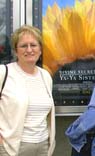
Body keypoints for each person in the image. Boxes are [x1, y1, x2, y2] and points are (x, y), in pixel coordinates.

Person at [0, 25, 55, 156]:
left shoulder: (45, 76)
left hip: (42, 146)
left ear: (40, 49)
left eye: (33, 45)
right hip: (11, 147)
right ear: (16, 50)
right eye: (24, 46)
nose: (29, 50)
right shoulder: (4, 72)